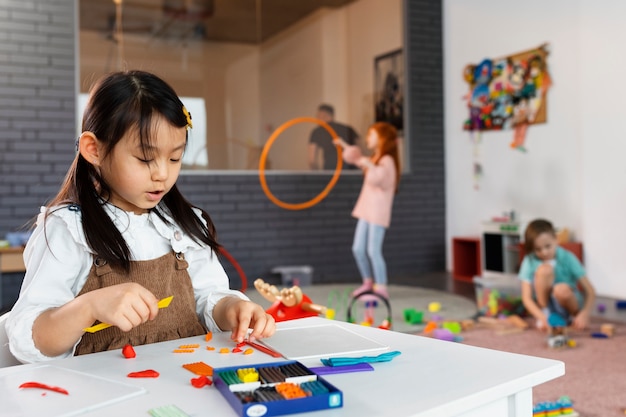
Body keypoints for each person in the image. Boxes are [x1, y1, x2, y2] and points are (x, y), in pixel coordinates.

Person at [6, 70, 275, 363]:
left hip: (184, 377)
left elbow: (207, 297)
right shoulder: (69, 229)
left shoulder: (183, 225)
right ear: (94, 150)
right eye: (145, 159)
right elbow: (29, 339)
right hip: (102, 393)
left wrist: (232, 308)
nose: (162, 173)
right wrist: (88, 307)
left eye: (175, 158)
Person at [335, 122, 400, 299]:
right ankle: (368, 282)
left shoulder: (387, 160)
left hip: (377, 213)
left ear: (382, 138)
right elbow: (359, 160)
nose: (367, 138)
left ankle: (381, 288)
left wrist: (367, 164)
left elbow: (382, 180)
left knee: (373, 251)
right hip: (366, 210)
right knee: (358, 249)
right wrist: (345, 146)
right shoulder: (375, 158)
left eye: (371, 135)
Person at [518, 219, 596, 332]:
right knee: (544, 270)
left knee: (560, 289)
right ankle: (546, 313)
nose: (544, 252)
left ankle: (573, 317)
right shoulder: (529, 260)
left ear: (556, 239)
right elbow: (526, 298)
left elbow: (590, 291)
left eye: (548, 246)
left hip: (566, 302)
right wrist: (542, 317)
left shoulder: (567, 257)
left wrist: (584, 313)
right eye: (538, 249)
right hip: (544, 305)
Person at [308, 104, 359, 170]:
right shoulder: (348, 129)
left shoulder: (317, 131)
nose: (317, 119)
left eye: (318, 116)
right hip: (352, 170)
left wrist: (318, 175)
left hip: (331, 171)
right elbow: (362, 150)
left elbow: (312, 160)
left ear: (322, 115)